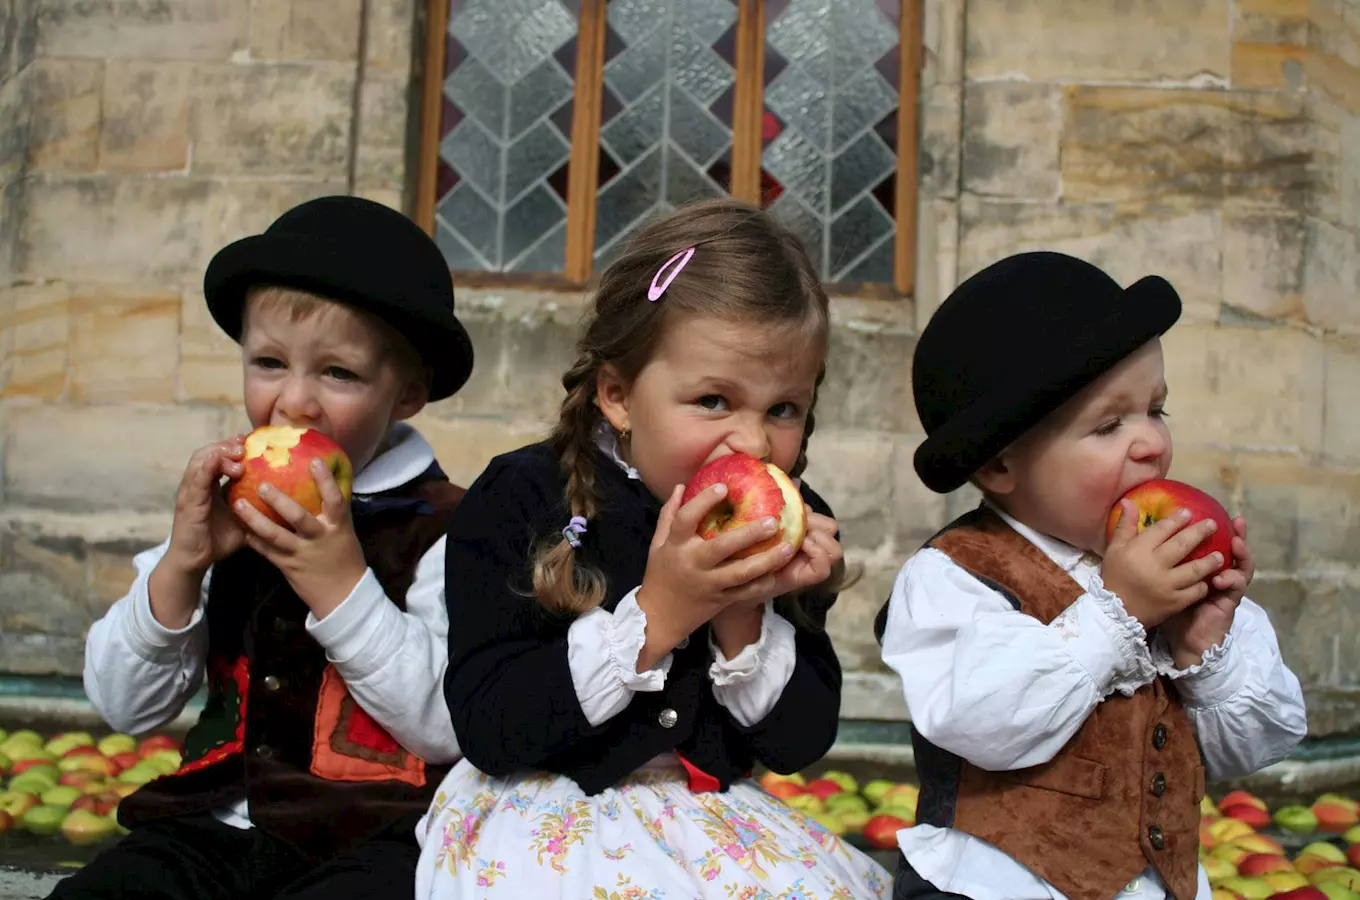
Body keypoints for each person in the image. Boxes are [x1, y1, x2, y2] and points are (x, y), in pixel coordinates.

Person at [414, 199, 891, 898]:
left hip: (706, 822)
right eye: (714, 401)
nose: (755, 444)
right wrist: (663, 613)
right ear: (618, 395)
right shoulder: (521, 497)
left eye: (783, 409)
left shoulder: (793, 516)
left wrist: (744, 612)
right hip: (541, 813)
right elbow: (489, 726)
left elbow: (799, 744)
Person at [53, 196, 476, 900]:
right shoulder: (227, 508)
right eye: (270, 362)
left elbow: (443, 726)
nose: (295, 403)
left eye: (338, 373)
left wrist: (341, 584)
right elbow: (126, 707)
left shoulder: (446, 529)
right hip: (212, 823)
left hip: (377, 832)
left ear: (407, 393)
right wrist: (181, 566)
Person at [877, 251, 1309, 900]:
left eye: (1156, 410)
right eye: (1109, 424)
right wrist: (1117, 614)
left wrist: (1203, 648)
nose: (1151, 443)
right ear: (1000, 466)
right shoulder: (956, 576)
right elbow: (984, 723)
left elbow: (1250, 749)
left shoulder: (1169, 573)